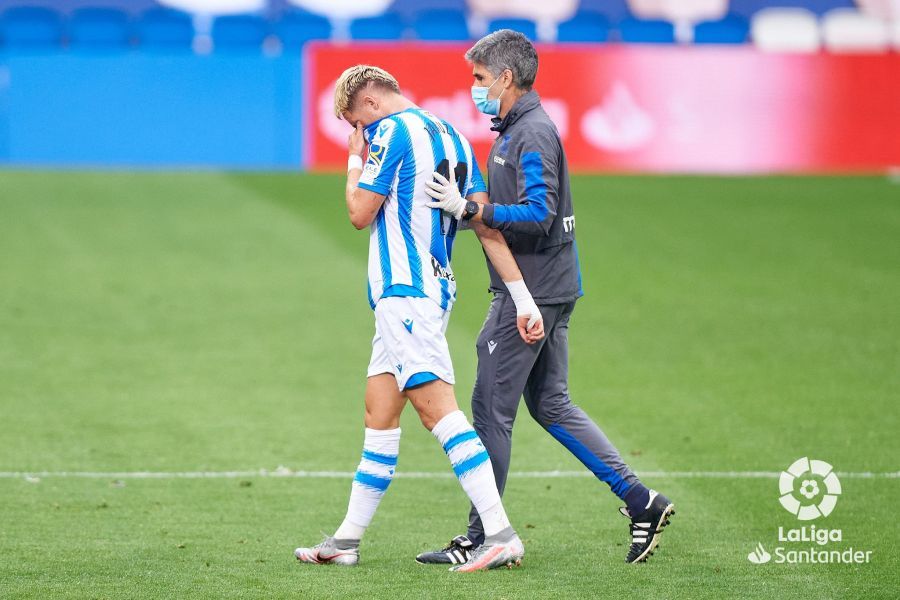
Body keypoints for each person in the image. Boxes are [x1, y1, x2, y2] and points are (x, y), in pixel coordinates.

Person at [417, 30, 675, 565]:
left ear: (506, 78)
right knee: (551, 405)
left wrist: (473, 212)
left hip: (529, 293)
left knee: (490, 413)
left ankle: (482, 537)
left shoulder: (530, 135)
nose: (474, 88)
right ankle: (640, 501)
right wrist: (466, 211)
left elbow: (539, 212)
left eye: (480, 78)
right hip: (552, 285)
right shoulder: (516, 130)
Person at [293, 65, 546, 572]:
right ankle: (346, 541)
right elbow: (484, 223)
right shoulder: (454, 137)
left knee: (439, 411)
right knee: (379, 415)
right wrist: (522, 297)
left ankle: (500, 533)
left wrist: (353, 163)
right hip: (434, 288)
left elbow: (360, 212)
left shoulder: (388, 132)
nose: (358, 134)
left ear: (367, 105)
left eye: (354, 123)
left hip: (405, 293)